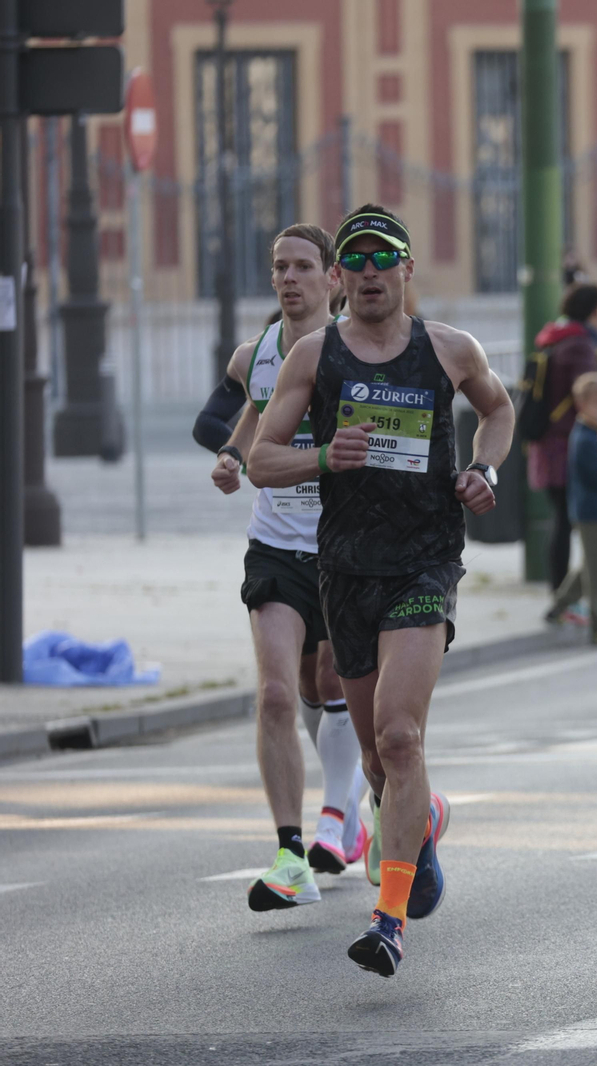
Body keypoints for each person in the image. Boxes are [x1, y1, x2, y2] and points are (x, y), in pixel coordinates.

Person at [249, 204, 514, 977]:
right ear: (341, 277)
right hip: (345, 568)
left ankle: (388, 920)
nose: (368, 273)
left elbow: (498, 411)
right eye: (355, 261)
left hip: (425, 562)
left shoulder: (450, 349)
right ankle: (419, 815)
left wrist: (484, 469)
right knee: (374, 760)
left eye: (382, 259)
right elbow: (264, 460)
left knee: (401, 736)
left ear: (406, 271)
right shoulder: (314, 358)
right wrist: (326, 457)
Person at [196, 224, 368, 911]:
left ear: (332, 278)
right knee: (278, 692)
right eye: (279, 268)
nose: (289, 278)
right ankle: (293, 854)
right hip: (275, 541)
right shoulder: (254, 354)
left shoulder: (361, 351)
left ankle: (342, 816)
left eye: (302, 266)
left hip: (345, 540)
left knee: (333, 680)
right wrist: (233, 457)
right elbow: (254, 414)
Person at [528, 284, 597, 594]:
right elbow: (588, 395)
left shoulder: (554, 339)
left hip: (547, 442)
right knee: (567, 520)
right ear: (594, 311)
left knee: (560, 518)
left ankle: (559, 590)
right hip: (568, 442)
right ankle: (561, 592)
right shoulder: (580, 346)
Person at [545, 372, 597, 645]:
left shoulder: (593, 434)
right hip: (590, 513)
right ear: (581, 404)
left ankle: (558, 607)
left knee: (589, 567)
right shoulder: (584, 438)